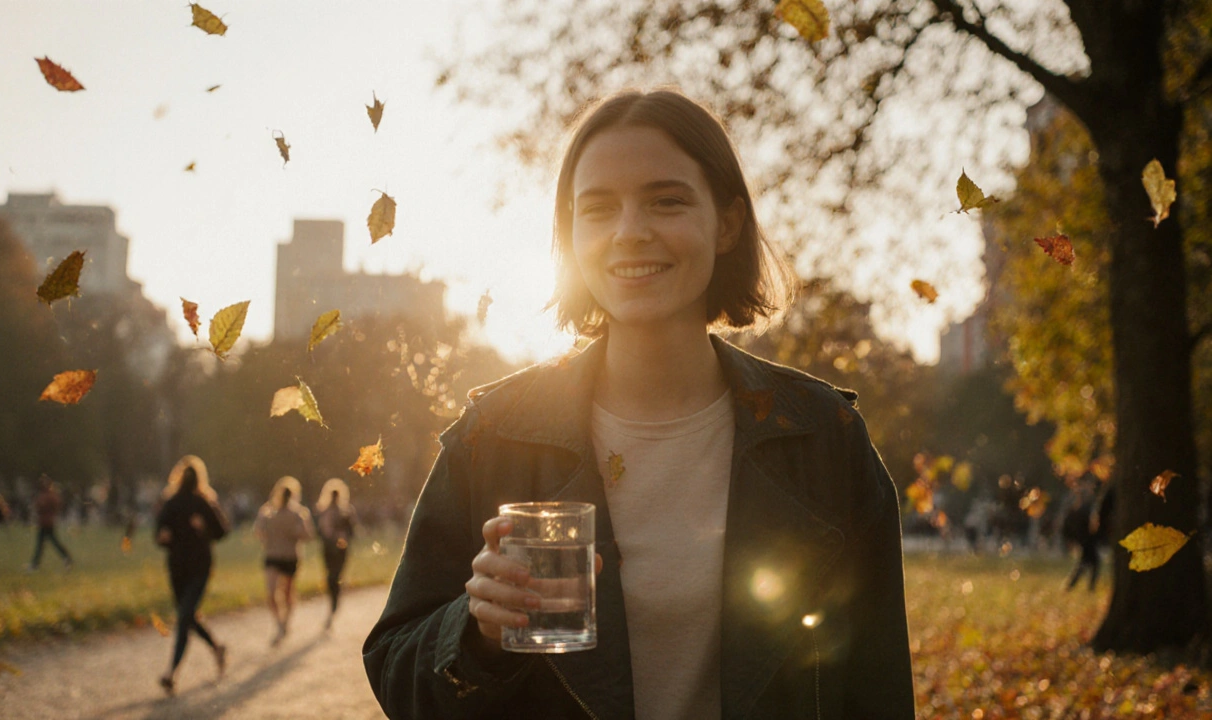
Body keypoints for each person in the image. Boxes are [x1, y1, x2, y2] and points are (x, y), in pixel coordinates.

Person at [363, 89, 915, 718]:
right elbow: (395, 667)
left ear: (728, 223)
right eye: (598, 209)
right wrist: (475, 631)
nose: (630, 233)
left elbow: (878, 690)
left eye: (667, 200)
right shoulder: (494, 436)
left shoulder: (824, 437)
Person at [155, 455, 229, 694]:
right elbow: (159, 532)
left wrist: (204, 528)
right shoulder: (171, 502)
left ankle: (171, 672)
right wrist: (162, 537)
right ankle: (217, 648)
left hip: (199, 567)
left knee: (184, 617)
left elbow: (222, 531)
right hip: (177, 568)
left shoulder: (204, 502)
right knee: (187, 617)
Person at [253, 476, 314, 645]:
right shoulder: (267, 511)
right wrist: (264, 532)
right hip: (272, 556)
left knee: (287, 592)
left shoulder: (299, 514)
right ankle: (279, 623)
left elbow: (309, 535)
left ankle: (286, 620)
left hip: (290, 556)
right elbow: (258, 531)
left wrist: (298, 531)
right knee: (271, 593)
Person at [315, 477, 358, 629]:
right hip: (328, 548)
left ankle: (334, 603)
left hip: (340, 548)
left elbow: (352, 532)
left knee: (335, 575)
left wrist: (341, 534)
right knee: (330, 576)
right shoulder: (324, 512)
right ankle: (333, 601)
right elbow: (318, 533)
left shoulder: (346, 512)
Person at [27, 474, 73, 571]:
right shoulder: (52, 495)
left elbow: (39, 507)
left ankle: (35, 564)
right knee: (50, 543)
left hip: (46, 523)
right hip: (47, 522)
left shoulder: (47, 496)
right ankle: (66, 557)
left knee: (42, 544)